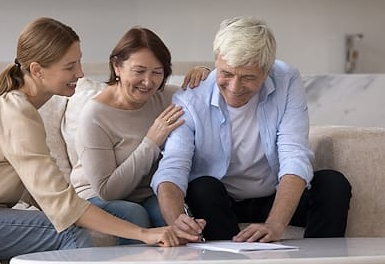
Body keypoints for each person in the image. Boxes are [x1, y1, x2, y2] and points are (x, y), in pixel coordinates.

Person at [0, 17, 199, 261]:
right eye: (69, 66)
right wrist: (142, 233)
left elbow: (45, 193)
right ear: (36, 70)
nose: (80, 73)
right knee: (71, 235)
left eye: (78, 62)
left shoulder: (20, 109)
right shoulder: (16, 113)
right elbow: (62, 204)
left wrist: (201, 76)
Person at [151, 16, 352, 243]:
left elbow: (294, 154)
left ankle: (320, 259)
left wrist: (275, 224)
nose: (235, 88)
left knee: (332, 185)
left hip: (273, 195)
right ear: (217, 61)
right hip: (220, 202)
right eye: (226, 73)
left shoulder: (286, 80)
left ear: (267, 71)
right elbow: (172, 168)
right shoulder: (190, 98)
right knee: (201, 188)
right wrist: (177, 220)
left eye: (248, 77)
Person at [70, 27, 207, 241]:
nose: (148, 82)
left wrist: (204, 73)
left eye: (157, 72)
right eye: (139, 71)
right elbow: (108, 190)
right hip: (96, 197)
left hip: (148, 194)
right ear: (117, 66)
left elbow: (210, 95)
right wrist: (152, 141)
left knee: (174, 218)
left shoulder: (168, 97)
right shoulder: (95, 115)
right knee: (135, 215)